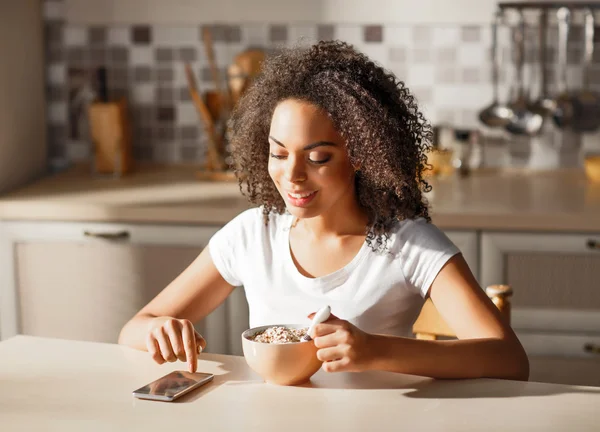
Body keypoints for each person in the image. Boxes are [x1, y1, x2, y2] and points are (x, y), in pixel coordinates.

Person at [118, 40, 529, 381]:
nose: (292, 175)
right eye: (278, 154)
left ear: (362, 156)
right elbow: (132, 330)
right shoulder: (251, 235)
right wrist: (159, 330)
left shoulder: (407, 244)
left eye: (317, 158)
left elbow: (509, 361)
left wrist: (376, 350)